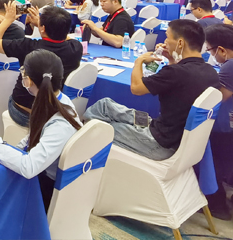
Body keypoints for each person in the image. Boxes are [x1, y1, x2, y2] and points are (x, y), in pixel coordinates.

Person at [0, 50, 82, 211]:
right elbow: (30, 139)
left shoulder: (60, 124)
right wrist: (4, 148)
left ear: (28, 81)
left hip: (47, 188)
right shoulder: (56, 100)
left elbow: (29, 167)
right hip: (43, 172)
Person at [84, 20, 220, 160]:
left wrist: (139, 61)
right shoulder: (211, 72)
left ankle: (84, 151)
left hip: (158, 143)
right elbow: (178, 82)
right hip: (172, 134)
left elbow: (136, 88)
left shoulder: (175, 72)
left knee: (100, 128)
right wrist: (171, 59)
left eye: (167, 37)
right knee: (105, 105)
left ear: (180, 43)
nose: (165, 42)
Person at [0, 4, 82, 127]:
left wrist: (8, 20)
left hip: (24, 113)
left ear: (43, 28)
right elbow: (64, 37)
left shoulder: (28, 46)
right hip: (53, 110)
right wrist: (43, 26)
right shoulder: (76, 48)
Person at [203, 25, 233, 219]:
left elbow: (217, 98)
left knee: (216, 159)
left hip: (225, 127)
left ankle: (217, 204)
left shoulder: (230, 66)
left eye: (210, 50)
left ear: (221, 50)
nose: (211, 55)